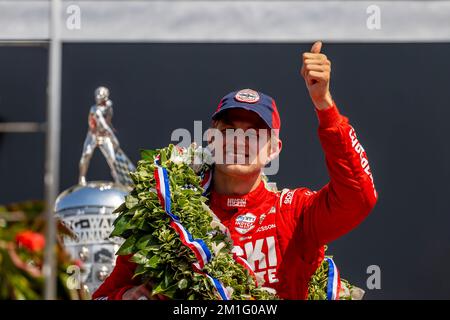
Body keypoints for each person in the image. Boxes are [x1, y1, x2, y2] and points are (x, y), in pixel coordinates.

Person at [92, 41, 377, 300]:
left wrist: (324, 104)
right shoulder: (168, 214)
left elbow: (358, 197)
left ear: (274, 149)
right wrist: (128, 296)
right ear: (210, 139)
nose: (239, 141)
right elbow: (103, 295)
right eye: (228, 130)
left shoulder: (294, 213)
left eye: (254, 133)